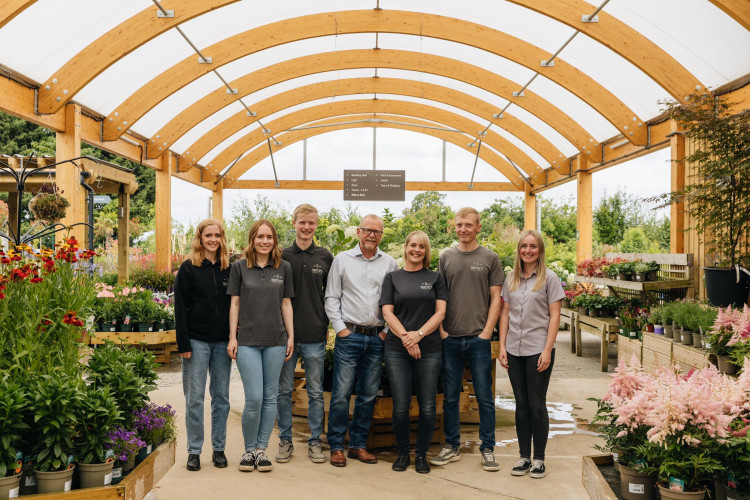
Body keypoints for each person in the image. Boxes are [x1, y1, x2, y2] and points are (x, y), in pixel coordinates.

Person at [432, 207, 503, 472]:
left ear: (478, 228)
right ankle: (452, 446)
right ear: (455, 227)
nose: (463, 229)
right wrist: (441, 331)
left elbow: (496, 297)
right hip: (449, 338)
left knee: (484, 397)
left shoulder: (490, 258)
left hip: (478, 339)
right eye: (459, 225)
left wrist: (487, 332)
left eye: (468, 225)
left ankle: (488, 449)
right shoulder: (446, 257)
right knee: (450, 397)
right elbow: (439, 296)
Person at [324, 214, 397, 467]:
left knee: (367, 394)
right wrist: (340, 329)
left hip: (377, 337)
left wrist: (387, 330)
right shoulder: (342, 260)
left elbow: (395, 301)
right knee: (342, 394)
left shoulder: (390, 263)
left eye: (377, 232)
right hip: (350, 336)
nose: (372, 235)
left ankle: (357, 445)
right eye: (367, 230)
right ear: (358, 232)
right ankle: (336, 446)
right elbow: (332, 297)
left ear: (381, 235)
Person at [227, 219, 294, 473]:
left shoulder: (283, 268)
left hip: (276, 341)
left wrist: (291, 337)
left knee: (270, 398)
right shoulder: (240, 267)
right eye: (260, 237)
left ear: (275, 241)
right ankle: (248, 450)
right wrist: (233, 337)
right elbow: (235, 304)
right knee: (254, 398)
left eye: (269, 237)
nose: (265, 241)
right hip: (248, 343)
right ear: (252, 239)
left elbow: (286, 304)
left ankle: (261, 451)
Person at [499, 230, 564, 479]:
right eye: (524, 246)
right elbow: (505, 313)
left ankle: (539, 459)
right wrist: (502, 346)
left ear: (540, 250)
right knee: (521, 404)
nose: (528, 250)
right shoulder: (511, 278)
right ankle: (524, 456)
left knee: (537, 404)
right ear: (519, 249)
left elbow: (555, 316)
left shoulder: (550, 278)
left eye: (533, 246)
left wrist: (547, 349)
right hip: (514, 349)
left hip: (538, 349)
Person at [380, 231, 447, 474]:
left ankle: (421, 455)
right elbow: (388, 313)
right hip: (397, 349)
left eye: (422, 246)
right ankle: (402, 454)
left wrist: (418, 335)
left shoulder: (435, 278)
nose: (417, 250)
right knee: (401, 404)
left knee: (428, 405)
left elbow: (440, 313)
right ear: (405, 247)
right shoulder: (392, 278)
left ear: (426, 251)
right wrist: (408, 339)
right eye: (412, 245)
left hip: (429, 349)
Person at [276, 204, 333, 464]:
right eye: (302, 222)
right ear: (294, 223)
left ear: (316, 225)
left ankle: (314, 442)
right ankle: (285, 440)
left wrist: (328, 325)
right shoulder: (281, 255)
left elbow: (331, 295)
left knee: (315, 392)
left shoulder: (325, 256)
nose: (307, 227)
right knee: (284, 390)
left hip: (314, 335)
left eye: (311, 223)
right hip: (284, 335)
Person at [175, 218, 232, 472]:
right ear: (200, 238)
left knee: (221, 398)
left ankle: (218, 449)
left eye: (217, 235)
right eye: (208, 235)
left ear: (222, 238)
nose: (213, 239)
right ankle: (194, 451)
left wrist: (234, 336)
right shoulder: (188, 269)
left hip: (222, 343)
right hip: (196, 342)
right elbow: (180, 308)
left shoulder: (230, 269)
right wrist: (183, 342)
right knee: (194, 398)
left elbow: (236, 305)